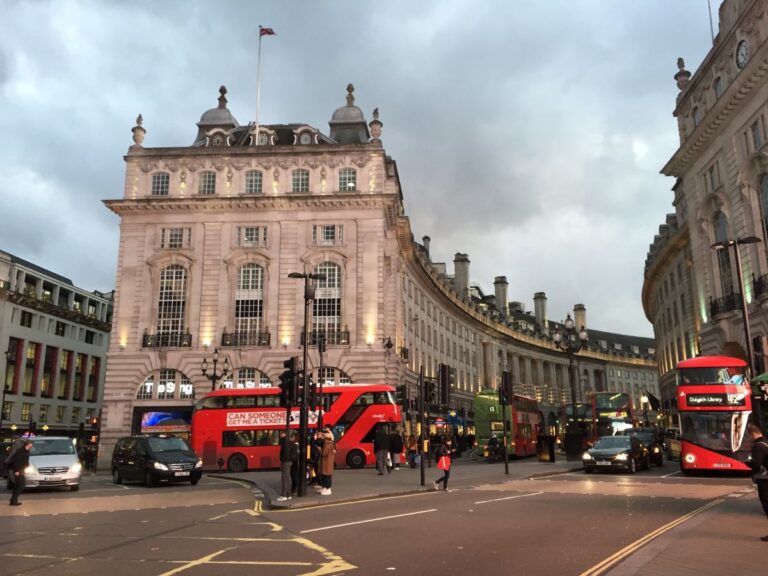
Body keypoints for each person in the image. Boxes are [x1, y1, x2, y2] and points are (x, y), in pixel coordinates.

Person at [748, 423, 768, 541]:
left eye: (750, 436)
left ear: (754, 434)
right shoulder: (766, 442)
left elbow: (756, 464)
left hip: (764, 478)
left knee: (766, 504)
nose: (750, 438)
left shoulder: (758, 446)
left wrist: (747, 462)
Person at [8, 439, 33, 506]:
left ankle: (13, 500)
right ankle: (13, 500)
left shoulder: (26, 451)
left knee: (18, 485)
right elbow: (17, 461)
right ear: (28, 444)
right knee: (21, 485)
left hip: (21, 470)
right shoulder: (21, 451)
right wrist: (16, 471)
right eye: (31, 443)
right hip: (18, 470)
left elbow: (24, 461)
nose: (32, 445)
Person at [277, 431, 297, 502]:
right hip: (289, 461)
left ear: (284, 434)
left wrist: (283, 460)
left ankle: (284, 495)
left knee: (285, 478)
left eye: (281, 433)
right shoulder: (290, 442)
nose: (280, 435)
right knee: (287, 478)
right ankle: (288, 494)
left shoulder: (285, 442)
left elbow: (285, 453)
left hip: (286, 462)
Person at [319, 429, 336, 495]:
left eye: (323, 437)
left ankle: (328, 489)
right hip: (327, 463)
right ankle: (325, 488)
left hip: (327, 463)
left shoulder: (328, 444)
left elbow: (324, 453)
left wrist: (320, 450)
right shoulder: (329, 444)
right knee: (326, 476)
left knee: (327, 476)